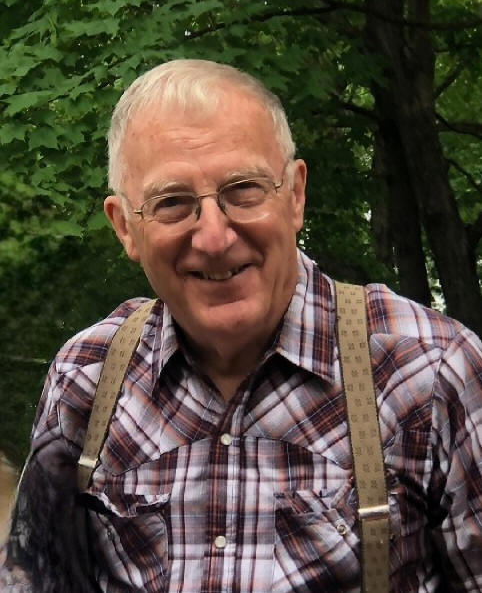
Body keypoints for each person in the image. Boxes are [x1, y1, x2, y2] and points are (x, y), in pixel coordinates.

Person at [1, 58, 481, 593]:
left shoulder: (431, 371)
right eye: (172, 203)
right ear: (125, 227)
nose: (213, 237)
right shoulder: (86, 380)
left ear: (295, 196)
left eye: (243, 189)